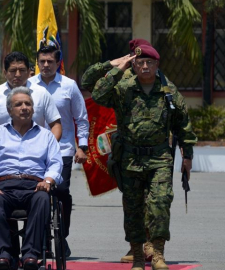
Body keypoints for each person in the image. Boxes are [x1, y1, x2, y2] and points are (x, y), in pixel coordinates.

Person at [91, 44, 197, 270]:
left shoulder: (168, 91)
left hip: (160, 158)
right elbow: (97, 93)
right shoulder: (123, 88)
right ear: (134, 65)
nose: (145, 66)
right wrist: (116, 69)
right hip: (130, 159)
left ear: (157, 65)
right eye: (140, 63)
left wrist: (187, 156)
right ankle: (138, 256)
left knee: (160, 204)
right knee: (133, 209)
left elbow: (183, 125)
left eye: (150, 62)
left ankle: (158, 254)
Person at [81, 38, 157, 263]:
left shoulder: (153, 78)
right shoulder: (120, 77)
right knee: (132, 202)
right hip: (126, 150)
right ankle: (135, 245)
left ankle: (151, 243)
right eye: (134, 57)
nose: (140, 63)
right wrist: (110, 65)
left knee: (154, 200)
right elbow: (88, 82)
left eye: (143, 58)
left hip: (153, 150)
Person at [0, 87, 63, 270]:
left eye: (28, 104)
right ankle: (4, 253)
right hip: (4, 184)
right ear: (10, 110)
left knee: (42, 199)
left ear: (33, 108)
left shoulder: (46, 135)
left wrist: (47, 181)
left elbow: (56, 163)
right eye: (19, 104)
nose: (24, 107)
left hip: (35, 185)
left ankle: (31, 254)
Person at [29, 45, 90, 257]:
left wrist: (82, 146)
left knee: (61, 191)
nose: (46, 65)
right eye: (42, 61)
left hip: (62, 149)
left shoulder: (69, 86)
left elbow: (81, 119)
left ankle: (61, 236)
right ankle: (40, 238)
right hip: (32, 151)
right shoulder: (28, 85)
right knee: (35, 194)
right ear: (37, 62)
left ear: (58, 63)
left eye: (50, 62)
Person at [0, 51, 62, 142]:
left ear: (29, 71)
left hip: (36, 153)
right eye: (13, 71)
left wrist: (48, 147)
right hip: (3, 153)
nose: (17, 74)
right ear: (5, 72)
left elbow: (56, 125)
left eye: (22, 70)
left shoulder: (42, 93)